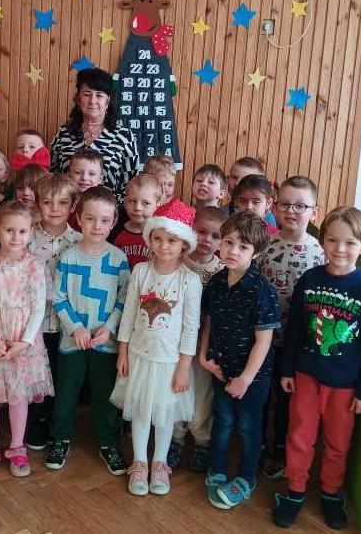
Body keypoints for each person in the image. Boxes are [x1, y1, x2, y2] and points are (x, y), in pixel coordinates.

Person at [273, 207, 361, 530]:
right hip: (306, 376)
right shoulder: (310, 279)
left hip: (346, 384)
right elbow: (294, 328)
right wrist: (287, 370)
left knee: (337, 443)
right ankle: (295, 490)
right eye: (333, 240)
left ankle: (331, 493)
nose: (340, 249)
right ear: (322, 241)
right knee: (299, 436)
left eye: (350, 243)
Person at [111, 216, 201, 496]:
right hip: (139, 356)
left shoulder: (189, 280)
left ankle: (159, 463)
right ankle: (139, 462)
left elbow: (191, 327)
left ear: (184, 244)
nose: (163, 246)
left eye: (172, 240)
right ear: (149, 239)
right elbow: (128, 314)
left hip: (170, 362)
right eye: (158, 239)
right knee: (140, 409)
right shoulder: (141, 271)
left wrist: (184, 367)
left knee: (164, 413)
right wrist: (123, 351)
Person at [0, 201, 54, 479]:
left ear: (31, 232)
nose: (16, 237)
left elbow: (38, 308)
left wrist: (25, 342)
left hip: (21, 341)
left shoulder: (35, 266)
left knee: (18, 397)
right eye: (9, 230)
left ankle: (17, 447)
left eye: (22, 231)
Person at [46, 186, 130, 476]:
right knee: (66, 394)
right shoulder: (69, 257)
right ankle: (60, 439)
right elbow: (57, 296)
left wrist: (109, 328)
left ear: (114, 221)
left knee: (105, 397)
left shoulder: (119, 259)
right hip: (73, 341)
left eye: (105, 220)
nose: (97, 226)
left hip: (105, 342)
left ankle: (109, 443)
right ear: (79, 218)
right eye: (90, 219)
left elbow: (124, 299)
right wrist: (76, 327)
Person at [200, 212, 279, 509]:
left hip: (252, 378)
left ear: (255, 252)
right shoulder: (217, 282)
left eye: (243, 247)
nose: (233, 250)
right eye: (228, 242)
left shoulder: (262, 291)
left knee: (247, 427)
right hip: (221, 369)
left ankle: (246, 478)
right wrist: (204, 357)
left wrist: (245, 379)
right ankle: (217, 469)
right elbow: (209, 321)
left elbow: (264, 340)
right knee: (222, 422)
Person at [258, 176, 325, 479]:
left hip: (297, 343)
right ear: (274, 207)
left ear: (314, 211)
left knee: (287, 399)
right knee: (262, 395)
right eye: (285, 204)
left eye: (300, 206)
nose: (291, 211)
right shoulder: (264, 246)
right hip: (263, 339)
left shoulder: (320, 254)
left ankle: (282, 448)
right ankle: (260, 446)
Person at [168, 205, 227, 472]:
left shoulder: (222, 270)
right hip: (175, 343)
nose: (207, 240)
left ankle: (202, 440)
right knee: (175, 388)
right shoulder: (177, 262)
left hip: (205, 345)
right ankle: (175, 437)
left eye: (215, 236)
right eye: (201, 232)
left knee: (202, 395)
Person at [25, 174, 81, 450]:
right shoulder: (27, 238)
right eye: (47, 202)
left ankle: (58, 426)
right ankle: (37, 421)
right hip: (34, 324)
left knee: (61, 377)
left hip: (67, 324)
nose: (55, 209)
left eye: (62, 202)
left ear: (73, 205)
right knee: (37, 375)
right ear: (37, 204)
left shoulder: (80, 241)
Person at [49, 68, 140, 203]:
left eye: (99, 95)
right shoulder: (63, 134)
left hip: (109, 213)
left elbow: (132, 184)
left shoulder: (124, 137)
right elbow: (52, 176)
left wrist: (107, 208)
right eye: (87, 94)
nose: (92, 101)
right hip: (66, 210)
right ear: (78, 99)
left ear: (107, 101)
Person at [113, 174, 162, 269]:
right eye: (132, 201)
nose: (137, 208)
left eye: (146, 203)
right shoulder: (114, 232)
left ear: (157, 206)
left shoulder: (160, 235)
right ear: (125, 202)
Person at [143, 155, 195, 225]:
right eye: (160, 185)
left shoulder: (177, 206)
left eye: (170, 185)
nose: (166, 189)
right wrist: (159, 206)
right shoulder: (141, 204)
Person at [227, 156, 277, 229]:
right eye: (234, 178)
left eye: (245, 180)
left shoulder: (268, 219)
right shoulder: (223, 211)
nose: (237, 183)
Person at [66, 148, 103, 231]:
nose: (84, 178)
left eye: (92, 174)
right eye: (78, 172)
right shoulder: (61, 201)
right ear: (68, 175)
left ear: (100, 179)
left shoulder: (103, 204)